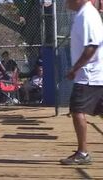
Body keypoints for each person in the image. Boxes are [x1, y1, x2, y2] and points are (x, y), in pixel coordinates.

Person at [60, 0, 103, 165]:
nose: (65, 2)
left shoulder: (87, 15)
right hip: (94, 74)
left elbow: (92, 46)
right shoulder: (82, 14)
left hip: (89, 75)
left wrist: (75, 68)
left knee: (77, 109)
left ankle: (83, 153)